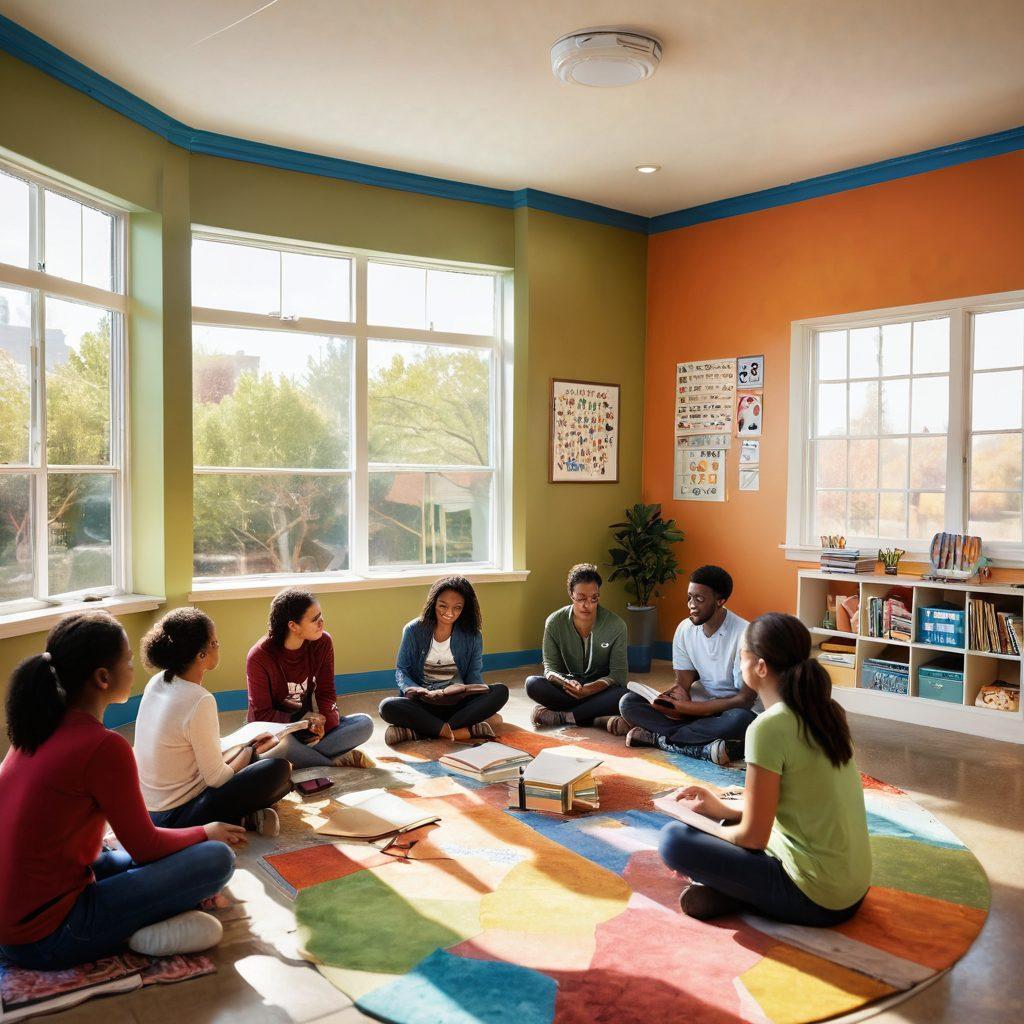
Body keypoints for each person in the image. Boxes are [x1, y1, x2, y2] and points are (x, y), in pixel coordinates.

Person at [0, 612, 241, 970]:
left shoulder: (34, 728)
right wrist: (206, 831)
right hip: (48, 937)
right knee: (216, 857)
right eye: (128, 660)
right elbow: (145, 847)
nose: (133, 668)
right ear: (102, 677)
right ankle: (132, 933)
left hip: (18, 922)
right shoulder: (104, 747)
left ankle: (136, 919)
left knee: (117, 859)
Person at [658, 612, 871, 925]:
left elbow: (754, 838)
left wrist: (692, 818)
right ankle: (733, 893)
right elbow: (798, 800)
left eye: (741, 654)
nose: (738, 660)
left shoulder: (767, 728)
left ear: (760, 667)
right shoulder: (828, 712)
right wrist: (721, 808)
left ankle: (737, 893)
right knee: (719, 815)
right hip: (853, 889)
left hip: (817, 898)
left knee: (674, 838)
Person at [134, 608, 292, 836]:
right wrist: (247, 754)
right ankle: (241, 817)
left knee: (250, 754)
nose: (219, 646)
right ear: (200, 655)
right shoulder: (200, 700)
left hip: (149, 810)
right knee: (277, 770)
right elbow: (216, 778)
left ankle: (246, 816)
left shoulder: (158, 681)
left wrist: (244, 746)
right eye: (215, 643)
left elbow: (194, 747)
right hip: (177, 817)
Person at [615, 565, 756, 765]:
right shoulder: (685, 629)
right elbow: (683, 683)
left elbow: (745, 699)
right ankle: (702, 747)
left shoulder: (745, 634)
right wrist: (677, 696)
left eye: (699, 599)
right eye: (689, 597)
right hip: (697, 708)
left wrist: (693, 710)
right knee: (629, 702)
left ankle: (659, 739)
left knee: (741, 720)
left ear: (720, 601)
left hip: (730, 709)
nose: (691, 605)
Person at [246, 589, 374, 770]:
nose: (322, 622)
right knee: (283, 745)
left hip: (308, 729)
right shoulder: (259, 656)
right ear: (293, 626)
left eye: (321, 616)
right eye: (315, 619)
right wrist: (301, 722)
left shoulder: (322, 642)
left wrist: (325, 725)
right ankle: (331, 762)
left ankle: (302, 760)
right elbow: (261, 714)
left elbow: (326, 693)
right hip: (275, 732)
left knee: (364, 724)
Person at [380, 575, 509, 744]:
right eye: (443, 606)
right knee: (387, 706)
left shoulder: (473, 636)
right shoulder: (413, 630)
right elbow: (402, 671)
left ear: (464, 609)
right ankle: (462, 730)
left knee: (501, 691)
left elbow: (474, 676)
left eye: (457, 608)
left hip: (456, 705)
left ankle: (427, 730)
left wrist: (471, 691)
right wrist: (416, 690)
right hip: (423, 703)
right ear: (433, 603)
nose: (449, 613)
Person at [525, 563, 628, 729]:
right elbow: (550, 669)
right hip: (569, 689)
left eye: (593, 598)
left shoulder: (616, 625)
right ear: (570, 594)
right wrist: (566, 683)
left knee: (624, 695)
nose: (587, 605)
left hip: (599, 690)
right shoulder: (554, 622)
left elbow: (619, 675)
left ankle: (566, 717)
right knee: (532, 684)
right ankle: (595, 718)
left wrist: (590, 689)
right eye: (581, 598)